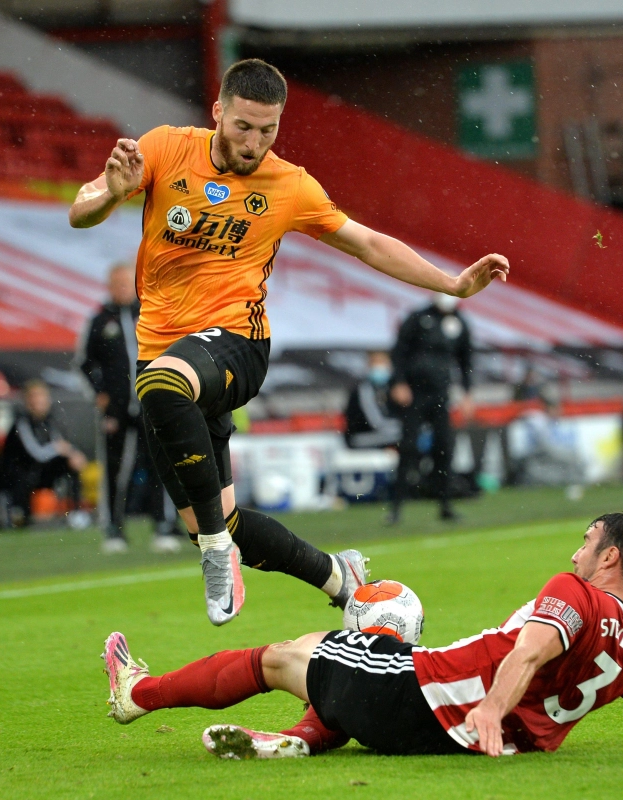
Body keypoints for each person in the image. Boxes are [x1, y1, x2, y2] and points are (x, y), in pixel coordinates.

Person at [68, 58, 509, 626]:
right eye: (244, 127)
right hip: (167, 352)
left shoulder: (290, 185)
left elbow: (367, 243)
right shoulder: (164, 148)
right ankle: (336, 577)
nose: (254, 143)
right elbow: (82, 210)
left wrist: (452, 284)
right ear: (218, 112)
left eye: (268, 129)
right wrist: (111, 195)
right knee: (215, 517)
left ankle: (214, 553)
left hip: (237, 345)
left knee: (162, 389)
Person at [100, 512, 623, 759]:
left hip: (430, 697)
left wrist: (491, 707)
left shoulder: (576, 596)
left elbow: (531, 651)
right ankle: (301, 739)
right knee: (345, 668)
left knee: (285, 654)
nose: (574, 555)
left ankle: (140, 693)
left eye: (587, 543)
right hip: (458, 734)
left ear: (612, 559)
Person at [78, 263, 181, 555]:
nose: (123, 288)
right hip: (116, 408)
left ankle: (164, 525)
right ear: (109, 286)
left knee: (161, 464)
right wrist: (99, 394)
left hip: (153, 401)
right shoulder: (99, 321)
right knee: (115, 469)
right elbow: (84, 364)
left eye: (127, 283)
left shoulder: (153, 313)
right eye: (117, 284)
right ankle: (113, 529)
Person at [388, 294, 474, 523]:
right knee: (407, 448)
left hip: (440, 396)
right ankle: (396, 508)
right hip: (415, 395)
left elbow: (466, 361)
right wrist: (398, 381)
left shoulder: (460, 323)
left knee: (444, 447)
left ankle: (445, 505)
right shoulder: (417, 318)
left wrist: (467, 392)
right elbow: (399, 351)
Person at [0, 380, 88, 528]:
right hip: (23, 474)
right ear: (27, 401)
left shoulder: (51, 422)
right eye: (34, 397)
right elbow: (36, 453)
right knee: (22, 477)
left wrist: (74, 454)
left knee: (71, 464)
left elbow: (62, 444)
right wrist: (59, 449)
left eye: (42, 396)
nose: (39, 401)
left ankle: (76, 512)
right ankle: (20, 515)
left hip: (42, 472)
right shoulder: (21, 423)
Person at [343, 351, 401, 449]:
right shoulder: (363, 390)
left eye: (382, 362)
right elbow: (377, 422)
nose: (379, 366)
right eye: (375, 363)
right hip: (363, 438)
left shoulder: (394, 387)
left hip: (387, 437)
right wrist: (406, 428)